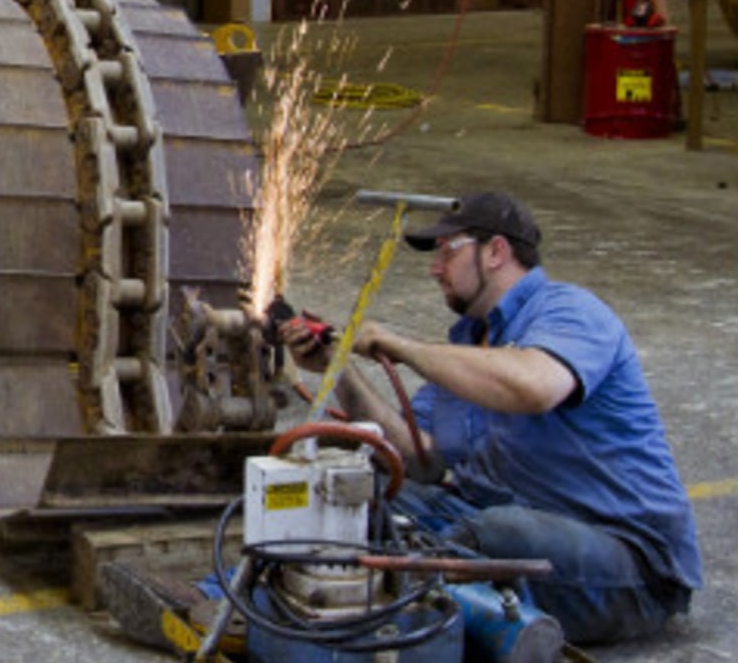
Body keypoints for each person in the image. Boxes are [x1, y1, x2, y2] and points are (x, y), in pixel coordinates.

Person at [283, 190, 700, 644]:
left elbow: (535, 387)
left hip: (625, 565)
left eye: (447, 252)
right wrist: (340, 369)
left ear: (496, 252)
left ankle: (412, 604)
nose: (434, 268)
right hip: (503, 527)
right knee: (352, 492)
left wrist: (404, 347)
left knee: (498, 531)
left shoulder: (571, 312)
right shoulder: (467, 345)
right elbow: (421, 460)